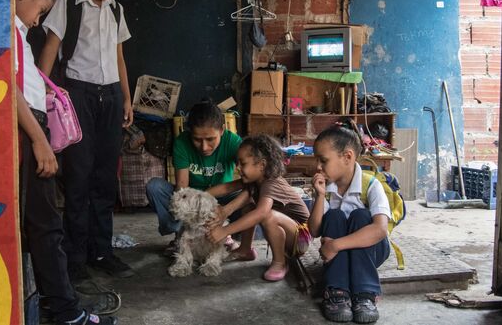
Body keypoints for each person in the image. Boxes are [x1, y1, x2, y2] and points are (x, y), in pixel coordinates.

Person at [15, 0, 117, 325]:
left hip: (35, 127)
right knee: (46, 225)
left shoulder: (17, 33)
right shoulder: (9, 34)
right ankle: (65, 311)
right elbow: (11, 91)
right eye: (39, 10)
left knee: (45, 223)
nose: (38, 20)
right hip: (29, 133)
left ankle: (58, 300)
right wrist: (40, 139)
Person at [38, 0, 134, 281]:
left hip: (110, 97)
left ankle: (102, 251)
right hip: (77, 95)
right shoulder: (67, 2)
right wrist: (43, 91)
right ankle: (76, 258)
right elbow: (51, 48)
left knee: (105, 179)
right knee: (78, 178)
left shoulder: (117, 10)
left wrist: (125, 96)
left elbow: (119, 56)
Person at [308, 120, 391, 324]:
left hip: (372, 250)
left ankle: (365, 294)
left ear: (347, 157)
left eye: (323, 160)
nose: (318, 166)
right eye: (316, 160)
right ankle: (337, 292)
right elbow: (315, 230)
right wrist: (319, 196)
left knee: (361, 216)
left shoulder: (371, 185)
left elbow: (380, 230)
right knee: (334, 216)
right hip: (340, 253)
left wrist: (336, 244)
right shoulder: (326, 189)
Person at [206, 134, 311, 282]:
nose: (238, 168)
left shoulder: (271, 183)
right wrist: (199, 194)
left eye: (243, 163)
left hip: (301, 237)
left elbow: (261, 213)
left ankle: (280, 262)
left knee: (266, 214)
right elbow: (227, 187)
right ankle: (245, 249)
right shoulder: (255, 180)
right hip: (288, 232)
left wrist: (224, 231)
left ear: (262, 165)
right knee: (249, 206)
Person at [146, 99, 243, 256]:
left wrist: (225, 208)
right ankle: (181, 235)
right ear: (190, 132)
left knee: (251, 194)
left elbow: (250, 178)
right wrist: (195, 211)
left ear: (222, 130)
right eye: (197, 139)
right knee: (155, 187)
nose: (204, 147)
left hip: (222, 199)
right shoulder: (182, 142)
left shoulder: (233, 142)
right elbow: (182, 187)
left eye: (210, 139)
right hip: (193, 199)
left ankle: (226, 233)